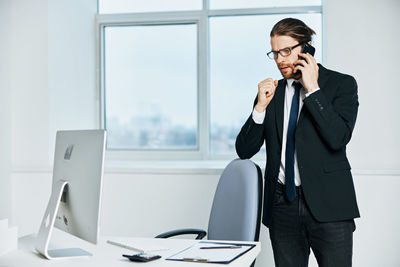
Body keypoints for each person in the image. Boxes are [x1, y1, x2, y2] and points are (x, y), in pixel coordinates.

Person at [235, 18, 359, 267]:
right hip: (282, 206)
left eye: (286, 51)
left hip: (329, 206)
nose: (280, 59)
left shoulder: (341, 85)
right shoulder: (273, 93)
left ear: (307, 48)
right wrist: (260, 107)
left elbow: (338, 138)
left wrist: (313, 89)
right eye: (275, 53)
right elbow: (244, 150)